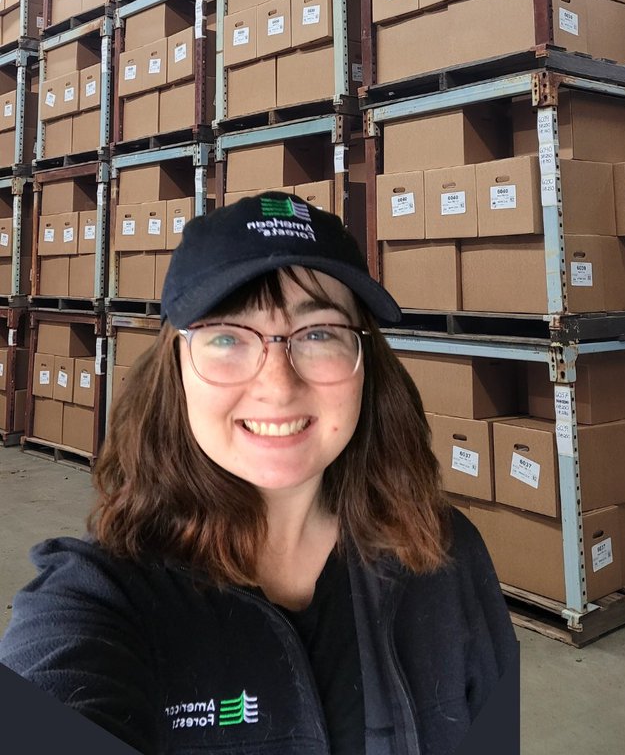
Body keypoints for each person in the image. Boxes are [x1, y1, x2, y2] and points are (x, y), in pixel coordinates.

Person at [0, 191, 518, 754]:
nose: (277, 385)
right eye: (226, 337)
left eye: (318, 333)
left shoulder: (446, 556)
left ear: (366, 363)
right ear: (176, 371)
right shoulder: (97, 600)